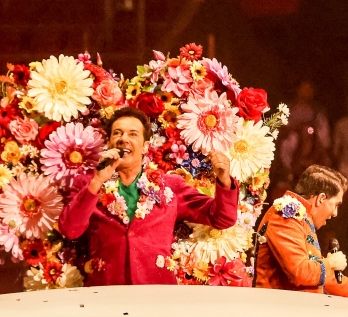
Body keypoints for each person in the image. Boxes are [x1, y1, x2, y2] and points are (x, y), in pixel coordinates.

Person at [58, 107, 239, 286]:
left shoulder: (170, 186)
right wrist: (97, 181)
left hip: (157, 294)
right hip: (106, 292)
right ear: (110, 143)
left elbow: (222, 218)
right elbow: (70, 230)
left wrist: (224, 179)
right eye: (117, 133)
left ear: (145, 147)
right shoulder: (89, 184)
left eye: (133, 134)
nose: (123, 139)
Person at [254, 164, 348, 300]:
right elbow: (300, 271)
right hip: (276, 312)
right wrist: (331, 263)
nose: (335, 213)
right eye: (336, 205)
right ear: (321, 198)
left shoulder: (302, 219)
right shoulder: (286, 215)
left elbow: (330, 280)